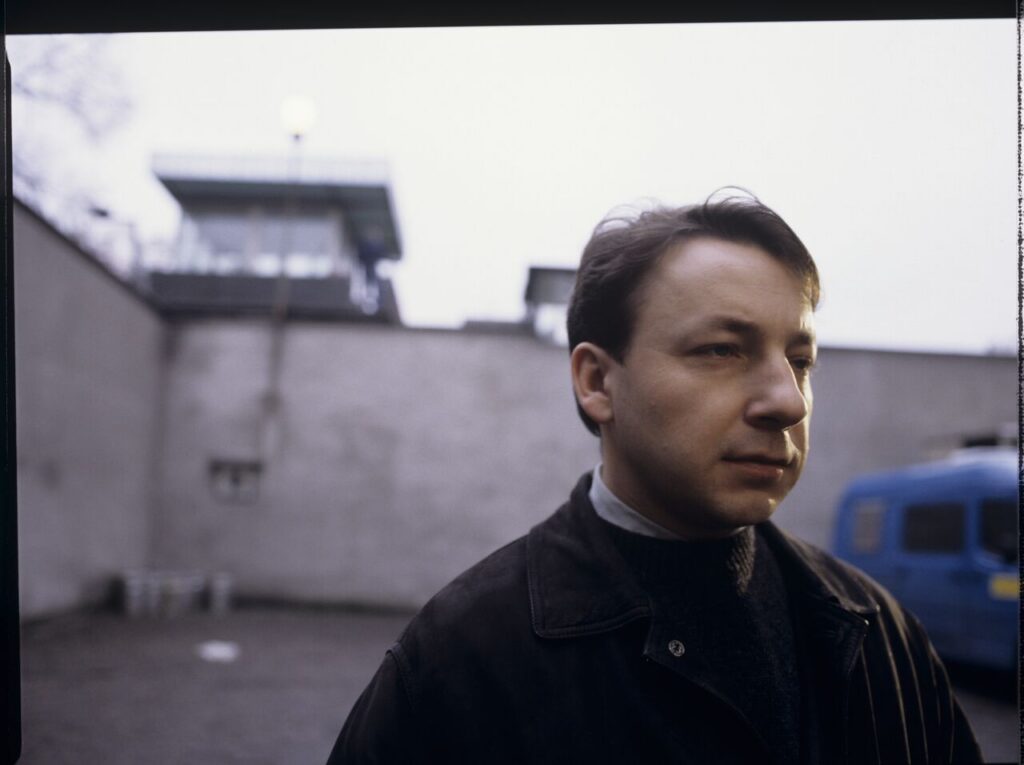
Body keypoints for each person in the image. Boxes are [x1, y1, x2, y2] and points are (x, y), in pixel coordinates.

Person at [326, 191, 982, 764]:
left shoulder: (882, 635)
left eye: (800, 359)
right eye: (722, 349)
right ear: (596, 381)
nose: (788, 400)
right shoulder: (461, 658)